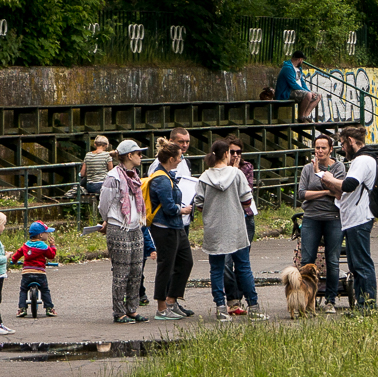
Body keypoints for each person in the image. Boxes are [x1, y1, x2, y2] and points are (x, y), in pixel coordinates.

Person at [192, 138, 266, 321]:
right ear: (226, 154)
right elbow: (247, 200)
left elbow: (199, 203)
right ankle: (254, 306)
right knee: (243, 266)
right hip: (236, 227)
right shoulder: (236, 174)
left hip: (214, 229)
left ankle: (221, 308)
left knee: (216, 269)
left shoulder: (204, 177)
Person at [320, 125, 378, 311]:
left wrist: (329, 179)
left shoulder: (362, 160)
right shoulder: (365, 159)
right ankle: (362, 305)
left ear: (351, 141)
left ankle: (366, 306)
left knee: (361, 264)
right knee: (356, 264)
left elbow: (349, 184)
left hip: (359, 219)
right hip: (354, 218)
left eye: (343, 144)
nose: (342, 148)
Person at [97, 138, 151, 323]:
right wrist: (107, 220)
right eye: (138, 154)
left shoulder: (135, 175)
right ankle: (119, 311)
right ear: (129, 155)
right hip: (118, 226)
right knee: (122, 271)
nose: (141, 157)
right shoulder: (113, 176)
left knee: (136, 269)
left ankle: (132, 309)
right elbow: (104, 203)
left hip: (135, 226)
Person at [144, 139, 196, 320]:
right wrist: (182, 210)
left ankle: (172, 300)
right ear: (172, 159)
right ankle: (161, 307)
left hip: (176, 226)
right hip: (164, 228)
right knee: (165, 265)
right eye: (179, 157)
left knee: (186, 261)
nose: (181, 160)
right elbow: (168, 207)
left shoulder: (169, 175)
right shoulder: (161, 179)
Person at [296, 134, 345, 313]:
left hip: (333, 218)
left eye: (324, 148)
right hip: (311, 217)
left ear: (331, 149)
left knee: (332, 260)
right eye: (317, 147)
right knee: (307, 260)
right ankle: (308, 299)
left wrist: (321, 177)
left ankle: (330, 300)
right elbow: (302, 194)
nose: (320, 151)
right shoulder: (307, 168)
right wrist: (326, 191)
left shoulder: (339, 168)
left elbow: (340, 190)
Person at [222, 139, 258, 304]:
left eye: (238, 152)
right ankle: (232, 297)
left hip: (245, 217)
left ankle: (238, 297)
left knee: (242, 262)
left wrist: (235, 171)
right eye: (232, 152)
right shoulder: (218, 170)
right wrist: (232, 170)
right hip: (227, 219)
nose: (235, 155)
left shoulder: (247, 167)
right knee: (226, 263)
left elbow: (244, 191)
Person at [9, 222, 58, 318]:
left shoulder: (25, 246)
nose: (47, 235)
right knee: (45, 290)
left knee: (23, 290)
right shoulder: (44, 246)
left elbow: (17, 255)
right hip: (40, 273)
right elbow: (51, 255)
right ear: (40, 235)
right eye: (46, 233)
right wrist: (52, 246)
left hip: (27, 273)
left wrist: (14, 261)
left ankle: (22, 308)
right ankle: (49, 308)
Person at [275, 51, 321, 121]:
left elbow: (302, 82)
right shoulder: (288, 68)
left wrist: (308, 91)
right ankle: (301, 116)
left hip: (298, 91)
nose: (302, 62)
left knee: (318, 96)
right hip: (286, 92)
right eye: (302, 60)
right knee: (308, 95)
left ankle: (306, 115)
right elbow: (293, 84)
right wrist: (308, 92)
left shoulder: (298, 69)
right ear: (299, 59)